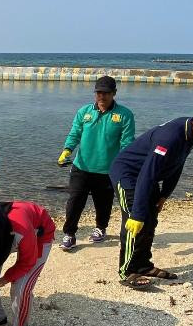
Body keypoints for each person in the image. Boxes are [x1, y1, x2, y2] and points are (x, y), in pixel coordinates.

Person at [109, 102, 193, 289]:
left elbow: (177, 165)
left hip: (147, 176)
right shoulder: (170, 138)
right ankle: (128, 271)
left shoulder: (190, 133)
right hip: (128, 175)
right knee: (134, 223)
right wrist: (137, 214)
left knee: (150, 220)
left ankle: (143, 265)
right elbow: (148, 173)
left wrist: (164, 195)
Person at [57, 76, 135, 250]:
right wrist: (66, 150)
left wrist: (125, 165)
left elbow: (127, 142)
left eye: (106, 93)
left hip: (108, 170)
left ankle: (101, 227)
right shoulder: (84, 111)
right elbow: (75, 133)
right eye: (99, 92)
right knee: (75, 201)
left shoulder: (124, 115)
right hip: (81, 167)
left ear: (114, 93)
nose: (102, 96)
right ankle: (69, 234)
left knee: (104, 203)